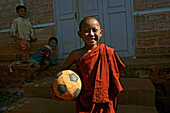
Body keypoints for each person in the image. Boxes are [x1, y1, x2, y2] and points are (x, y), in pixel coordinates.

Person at [53, 17, 125, 113]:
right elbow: (62, 71)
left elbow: (114, 77)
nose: (91, 34)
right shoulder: (76, 54)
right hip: (85, 99)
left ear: (101, 32)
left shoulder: (108, 52)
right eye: (86, 31)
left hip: (104, 98)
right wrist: (58, 90)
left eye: (95, 30)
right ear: (80, 34)